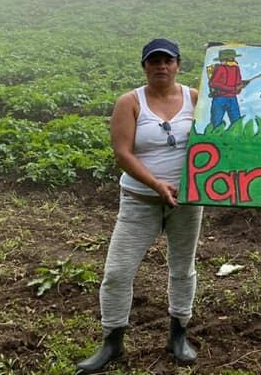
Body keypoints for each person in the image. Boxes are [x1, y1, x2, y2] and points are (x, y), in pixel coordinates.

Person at [75, 38, 203, 374]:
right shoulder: (130, 102)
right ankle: (112, 343)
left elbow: (218, 138)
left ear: (178, 64)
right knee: (117, 273)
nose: (161, 66)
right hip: (139, 201)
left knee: (182, 269)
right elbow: (123, 153)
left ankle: (178, 335)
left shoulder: (194, 98)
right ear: (144, 66)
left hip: (186, 204)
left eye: (168, 60)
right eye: (154, 61)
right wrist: (156, 184)